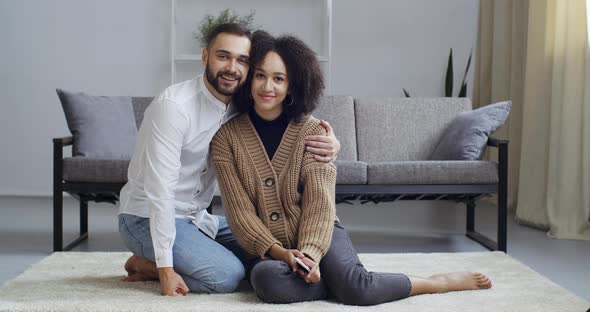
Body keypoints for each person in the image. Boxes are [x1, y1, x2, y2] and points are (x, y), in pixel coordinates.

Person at [210, 30, 492, 305]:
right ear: (249, 79)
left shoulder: (314, 132)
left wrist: (309, 254)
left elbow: (319, 204)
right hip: (268, 249)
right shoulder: (226, 139)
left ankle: (437, 282)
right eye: (260, 75)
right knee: (268, 281)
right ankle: (341, 282)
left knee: (359, 291)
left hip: (320, 233)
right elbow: (240, 214)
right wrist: (281, 254)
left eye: (278, 79)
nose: (267, 87)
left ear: (292, 86)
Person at [117, 23, 341, 297]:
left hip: (198, 218)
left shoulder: (239, 104)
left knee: (277, 242)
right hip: (145, 216)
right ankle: (147, 265)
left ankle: (198, 257)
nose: (232, 68)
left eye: (242, 60)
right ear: (205, 57)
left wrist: (332, 145)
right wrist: (164, 269)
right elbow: (160, 193)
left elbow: (288, 122)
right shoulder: (174, 108)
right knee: (226, 276)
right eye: (223, 56)